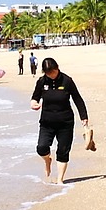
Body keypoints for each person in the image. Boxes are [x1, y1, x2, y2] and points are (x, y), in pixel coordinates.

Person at [30, 56, 90, 184]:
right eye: (48, 73)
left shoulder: (67, 81)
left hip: (65, 122)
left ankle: (60, 180)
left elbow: (77, 99)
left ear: (57, 68)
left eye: (52, 72)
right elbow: (35, 97)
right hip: (47, 122)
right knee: (42, 147)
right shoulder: (42, 82)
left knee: (63, 150)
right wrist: (33, 104)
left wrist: (84, 117)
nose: (51, 75)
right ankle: (47, 160)